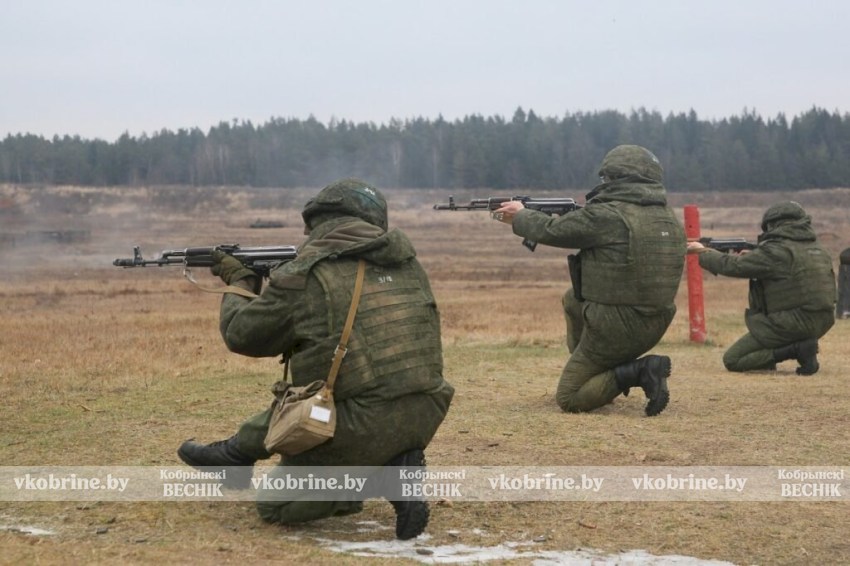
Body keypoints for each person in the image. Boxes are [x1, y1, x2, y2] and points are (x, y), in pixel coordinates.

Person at [177, 178, 454, 540]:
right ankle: (237, 453)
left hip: (359, 420)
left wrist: (241, 281)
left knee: (275, 504)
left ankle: (384, 474)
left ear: (320, 220)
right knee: (318, 389)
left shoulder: (307, 275)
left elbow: (242, 334)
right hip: (425, 410)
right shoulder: (409, 265)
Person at [493, 145, 685, 416]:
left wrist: (521, 215)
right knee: (573, 298)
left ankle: (641, 371)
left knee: (570, 397)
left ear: (614, 177)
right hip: (655, 320)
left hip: (617, 323)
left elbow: (553, 230)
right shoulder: (668, 217)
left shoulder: (607, 215)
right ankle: (601, 373)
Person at [686, 201, 836, 375]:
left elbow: (733, 266)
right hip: (823, 321)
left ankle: (796, 350)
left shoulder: (776, 251)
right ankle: (802, 348)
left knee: (734, 359)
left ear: (773, 224)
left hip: (793, 323)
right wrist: (755, 257)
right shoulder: (817, 249)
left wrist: (703, 252)